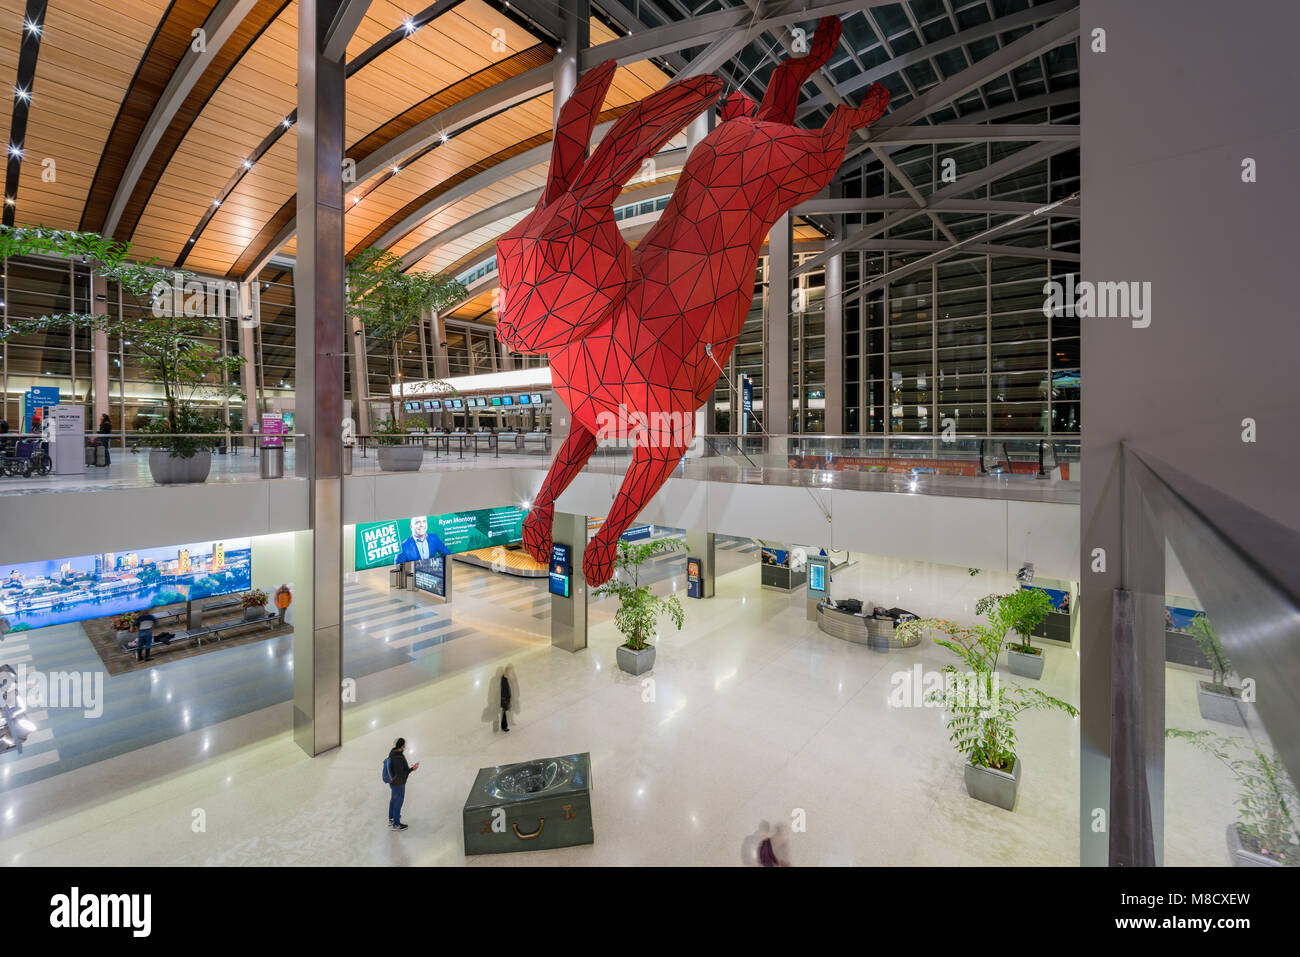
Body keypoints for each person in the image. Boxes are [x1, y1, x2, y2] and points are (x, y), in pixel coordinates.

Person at [386, 737, 419, 830]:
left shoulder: (393, 752)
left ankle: (391, 818)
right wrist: (412, 769)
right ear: (402, 746)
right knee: (398, 802)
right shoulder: (398, 757)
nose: (405, 746)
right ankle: (396, 824)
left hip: (393, 782)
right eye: (404, 745)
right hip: (398, 783)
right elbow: (401, 774)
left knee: (393, 799)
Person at [500, 664, 515, 732]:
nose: (512, 671)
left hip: (507, 698)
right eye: (511, 670)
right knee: (505, 712)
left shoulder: (508, 677)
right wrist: (505, 699)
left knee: (506, 711)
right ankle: (504, 726)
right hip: (504, 698)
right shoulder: (504, 678)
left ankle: (505, 725)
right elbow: (503, 689)